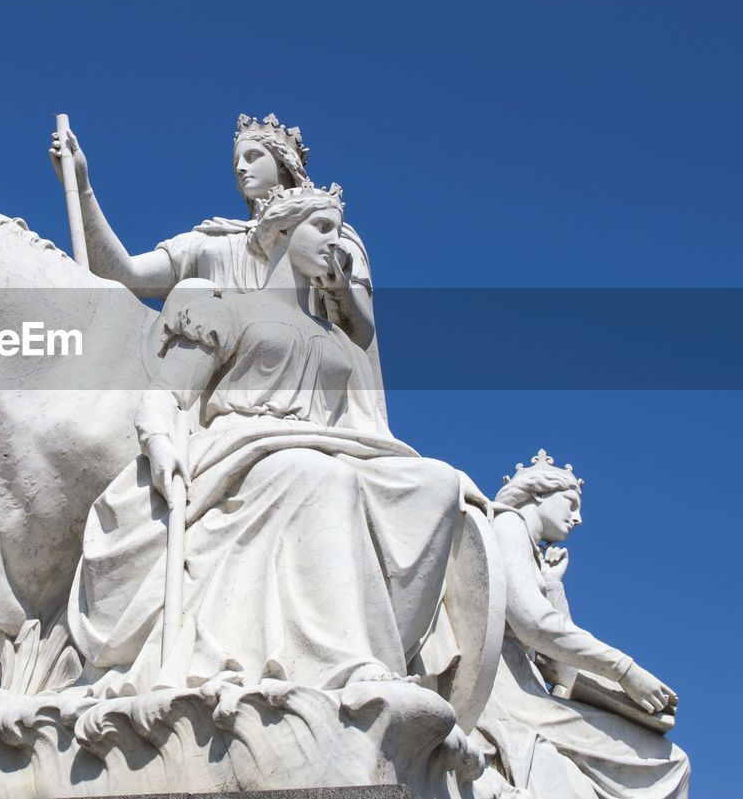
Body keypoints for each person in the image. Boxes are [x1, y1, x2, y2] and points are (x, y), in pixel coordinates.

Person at [68, 184, 462, 694]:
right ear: (282, 230)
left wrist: (343, 296)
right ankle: (341, 663)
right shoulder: (229, 307)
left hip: (319, 445)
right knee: (324, 477)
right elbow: (168, 395)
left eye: (339, 232)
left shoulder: (337, 339)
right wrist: (161, 444)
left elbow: (358, 404)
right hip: (242, 450)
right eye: (322, 228)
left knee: (436, 485)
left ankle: (384, 645)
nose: (335, 242)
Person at [50, 113, 376, 353]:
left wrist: (339, 291)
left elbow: (359, 337)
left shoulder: (327, 235)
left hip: (295, 372)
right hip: (206, 380)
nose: (240, 168)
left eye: (252, 156)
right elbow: (124, 274)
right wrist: (82, 187)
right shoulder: (207, 241)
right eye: (237, 161)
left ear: (283, 164)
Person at [473, 451, 690, 797]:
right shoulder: (506, 524)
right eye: (571, 504)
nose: (578, 518)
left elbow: (560, 669)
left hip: (533, 696)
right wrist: (625, 671)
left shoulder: (530, 553)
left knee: (670, 760)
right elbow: (533, 624)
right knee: (666, 764)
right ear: (540, 493)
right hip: (512, 701)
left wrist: (554, 585)